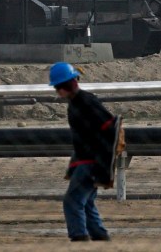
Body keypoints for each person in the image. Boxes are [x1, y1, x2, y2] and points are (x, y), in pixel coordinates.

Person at [49, 61, 118, 243]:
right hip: (87, 160)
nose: (57, 92)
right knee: (85, 202)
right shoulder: (78, 102)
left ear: (66, 85)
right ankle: (99, 235)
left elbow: (109, 129)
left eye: (57, 87)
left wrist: (101, 162)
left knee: (72, 201)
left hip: (89, 162)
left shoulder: (85, 102)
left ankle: (79, 236)